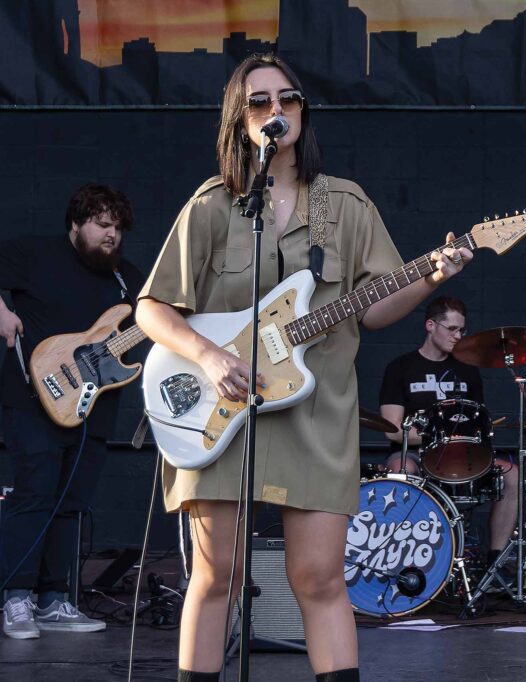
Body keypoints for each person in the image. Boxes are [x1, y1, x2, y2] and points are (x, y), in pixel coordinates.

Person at [134, 53, 472, 682]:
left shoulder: (345, 205)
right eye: (259, 102)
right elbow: (151, 309)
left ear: (302, 112)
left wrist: (431, 277)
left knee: (318, 577)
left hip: (316, 415)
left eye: (287, 99)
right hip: (224, 405)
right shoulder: (213, 205)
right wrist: (209, 358)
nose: (276, 111)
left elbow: (373, 311)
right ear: (240, 120)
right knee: (217, 576)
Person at [0, 183, 144, 639]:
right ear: (77, 223)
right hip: (32, 397)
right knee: (34, 494)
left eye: (118, 228)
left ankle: (55, 600)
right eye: (102, 225)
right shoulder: (36, 253)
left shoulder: (128, 278)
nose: (111, 236)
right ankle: (17, 599)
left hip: (94, 407)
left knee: (71, 503)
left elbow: (156, 325)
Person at [379, 296, 519, 572]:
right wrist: (439, 436)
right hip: (417, 454)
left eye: (461, 330)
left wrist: (463, 439)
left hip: (464, 455)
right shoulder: (400, 367)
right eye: (452, 329)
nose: (458, 336)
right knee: (399, 470)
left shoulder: (468, 370)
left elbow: (478, 422)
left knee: (512, 474)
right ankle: (403, 562)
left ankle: (496, 559)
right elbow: (394, 431)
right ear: (430, 325)